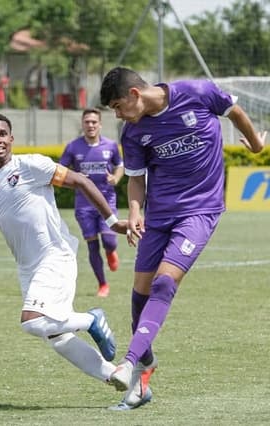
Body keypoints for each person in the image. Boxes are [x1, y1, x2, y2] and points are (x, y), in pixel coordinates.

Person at [99, 67, 267, 410]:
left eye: (117, 106)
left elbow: (234, 110)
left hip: (200, 212)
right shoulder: (132, 133)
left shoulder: (197, 92)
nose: (117, 115)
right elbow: (135, 179)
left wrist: (254, 143)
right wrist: (134, 212)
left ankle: (128, 363)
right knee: (139, 300)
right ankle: (144, 375)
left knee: (163, 285)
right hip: (159, 217)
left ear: (134, 95)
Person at [0, 112, 130, 389]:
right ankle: (121, 378)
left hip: (56, 255)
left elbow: (82, 181)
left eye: (2, 134)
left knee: (32, 322)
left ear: (11, 139)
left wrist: (113, 223)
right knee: (58, 337)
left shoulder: (31, 165)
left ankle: (92, 319)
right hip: (28, 269)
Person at [60, 108, 124, 297]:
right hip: (84, 204)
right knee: (92, 244)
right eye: (87, 122)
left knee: (109, 239)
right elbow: (61, 170)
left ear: (100, 124)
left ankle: (111, 251)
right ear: (82, 124)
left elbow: (120, 165)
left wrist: (116, 178)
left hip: (107, 200)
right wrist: (74, 178)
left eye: (94, 122)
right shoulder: (73, 147)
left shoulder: (110, 146)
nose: (90, 125)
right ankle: (102, 284)